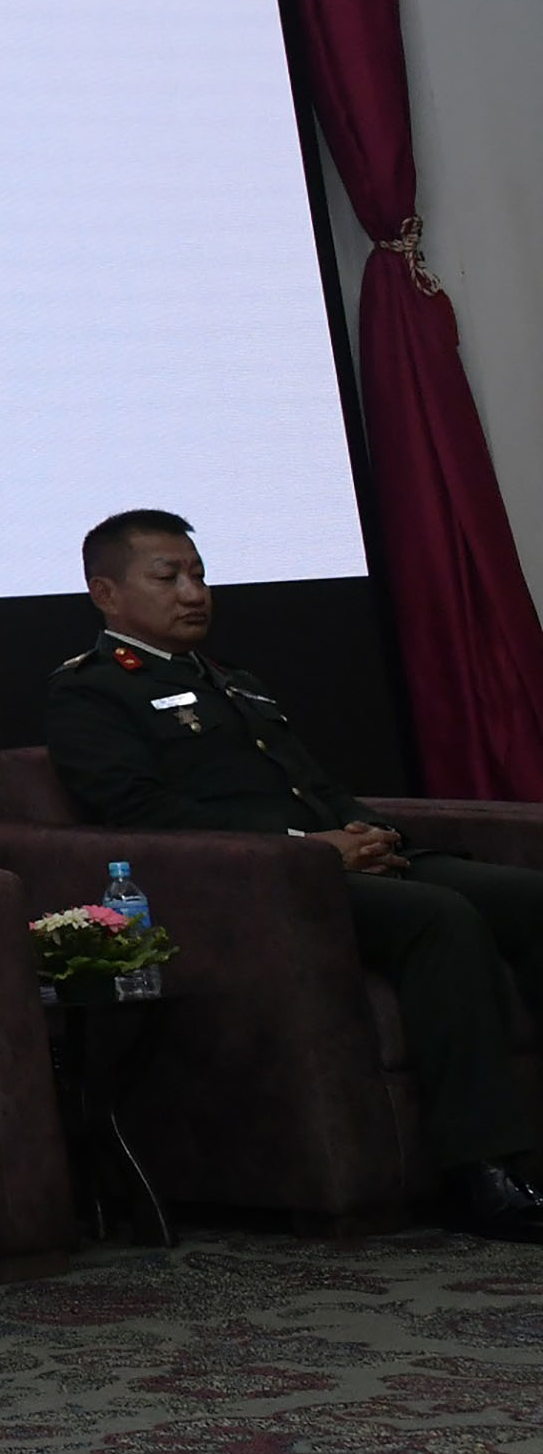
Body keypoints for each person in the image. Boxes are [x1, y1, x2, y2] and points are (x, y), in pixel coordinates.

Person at [45, 507, 543, 1245]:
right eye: (168, 577)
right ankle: (485, 1172)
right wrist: (309, 846)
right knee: (438, 917)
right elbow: (141, 811)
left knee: (530, 898)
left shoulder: (233, 681)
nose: (193, 593)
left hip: (337, 861)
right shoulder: (90, 692)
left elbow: (314, 784)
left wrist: (368, 831)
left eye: (198, 574)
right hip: (268, 889)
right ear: (106, 593)